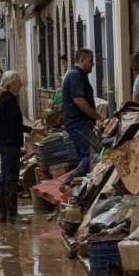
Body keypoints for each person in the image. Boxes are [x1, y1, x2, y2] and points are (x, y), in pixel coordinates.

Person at [0, 70, 32, 224]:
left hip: (4, 142)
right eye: (18, 82)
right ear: (11, 83)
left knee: (4, 178)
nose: (21, 84)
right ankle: (13, 214)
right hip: (9, 143)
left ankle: (4, 214)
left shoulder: (4, 99)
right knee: (11, 178)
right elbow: (14, 125)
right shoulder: (9, 100)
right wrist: (31, 130)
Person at [61, 48, 101, 179]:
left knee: (84, 156)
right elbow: (79, 101)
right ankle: (69, 181)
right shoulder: (75, 75)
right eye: (90, 61)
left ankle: (78, 185)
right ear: (82, 60)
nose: (92, 64)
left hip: (79, 123)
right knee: (88, 157)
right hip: (78, 123)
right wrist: (98, 117)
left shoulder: (78, 75)